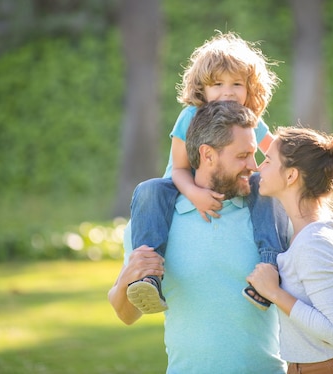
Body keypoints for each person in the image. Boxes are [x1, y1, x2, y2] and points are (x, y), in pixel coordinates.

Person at [108, 101, 287, 373]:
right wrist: (126, 278)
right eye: (242, 156)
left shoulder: (271, 216)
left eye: (254, 154)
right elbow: (127, 314)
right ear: (207, 155)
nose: (254, 165)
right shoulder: (153, 222)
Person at [126, 31, 285, 314]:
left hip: (234, 181)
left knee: (263, 185)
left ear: (250, 88)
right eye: (218, 84)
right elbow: (179, 169)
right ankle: (149, 277)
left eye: (237, 84)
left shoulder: (248, 120)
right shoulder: (190, 116)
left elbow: (273, 151)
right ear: (203, 88)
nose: (228, 92)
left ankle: (269, 266)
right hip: (181, 183)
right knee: (149, 189)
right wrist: (195, 194)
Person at [246, 127, 333, 373]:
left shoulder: (313, 241)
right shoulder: (322, 226)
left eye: (268, 160)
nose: (258, 168)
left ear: (290, 176)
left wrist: (274, 293)